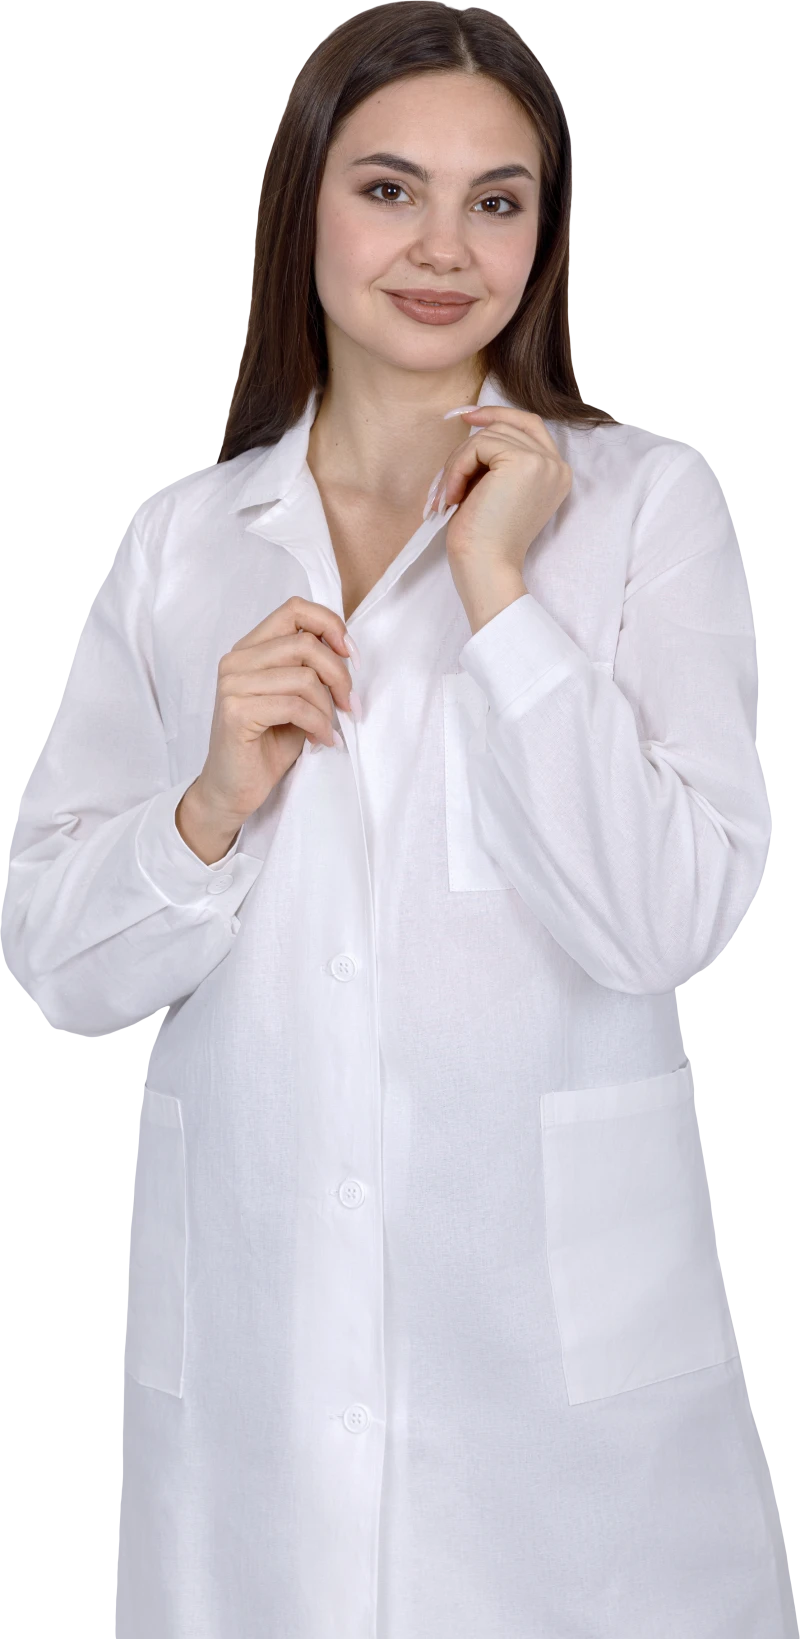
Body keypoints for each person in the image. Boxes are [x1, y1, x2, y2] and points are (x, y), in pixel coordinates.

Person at [2, 4, 792, 1636]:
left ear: (544, 236)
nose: (444, 248)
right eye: (389, 190)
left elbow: (668, 919)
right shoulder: (182, 543)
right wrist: (210, 803)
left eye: (497, 200)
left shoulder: (650, 506)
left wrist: (501, 596)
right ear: (303, 207)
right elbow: (59, 966)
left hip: (562, 1446)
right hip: (260, 1406)